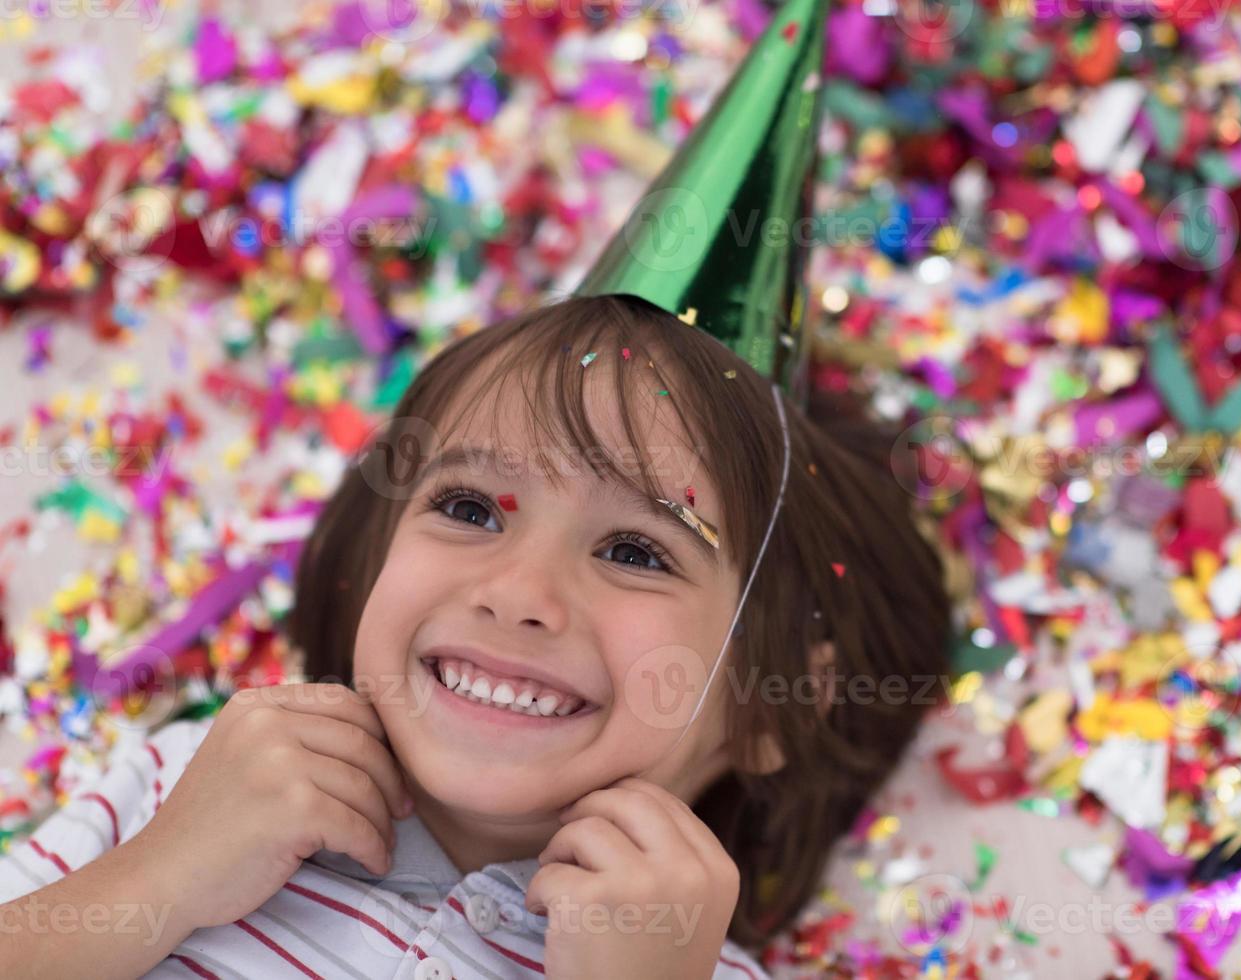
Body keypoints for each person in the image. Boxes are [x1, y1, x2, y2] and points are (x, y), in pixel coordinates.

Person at [0, 292, 953, 978]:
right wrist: (161, 876)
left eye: (635, 549)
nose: (518, 592)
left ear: (772, 699)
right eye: (468, 506)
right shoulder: (193, 788)